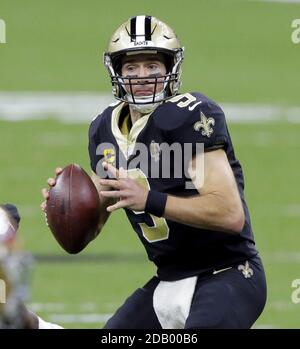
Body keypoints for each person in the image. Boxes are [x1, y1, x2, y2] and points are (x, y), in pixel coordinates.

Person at [42, 15, 267, 329]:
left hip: (227, 273)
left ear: (170, 70)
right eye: (131, 67)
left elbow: (230, 214)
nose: (141, 76)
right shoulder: (103, 129)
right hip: (168, 279)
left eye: (152, 66)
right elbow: (90, 226)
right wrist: (65, 205)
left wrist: (149, 199)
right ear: (116, 73)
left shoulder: (189, 116)